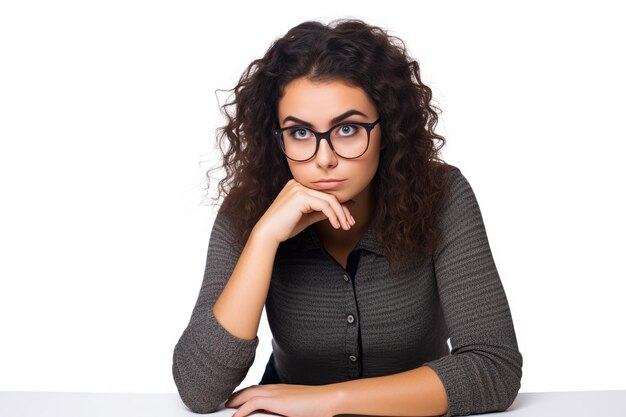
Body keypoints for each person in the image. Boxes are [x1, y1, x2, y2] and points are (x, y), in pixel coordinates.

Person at [172, 18, 522, 417]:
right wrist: (263, 239)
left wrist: (328, 401)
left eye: (348, 129)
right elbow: (197, 391)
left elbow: (495, 368)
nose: (324, 159)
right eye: (300, 133)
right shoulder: (250, 208)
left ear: (386, 128)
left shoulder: (442, 195)